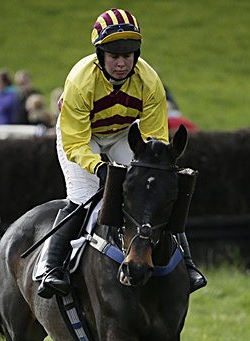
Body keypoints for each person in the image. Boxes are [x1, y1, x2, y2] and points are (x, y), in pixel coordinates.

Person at [37, 8, 206, 298]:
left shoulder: (150, 81)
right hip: (82, 137)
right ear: (100, 55)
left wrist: (152, 170)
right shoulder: (80, 80)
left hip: (122, 134)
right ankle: (49, 267)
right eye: (114, 56)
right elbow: (76, 143)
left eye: (128, 56)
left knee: (152, 191)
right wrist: (100, 167)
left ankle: (187, 264)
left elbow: (154, 140)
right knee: (83, 198)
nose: (121, 63)